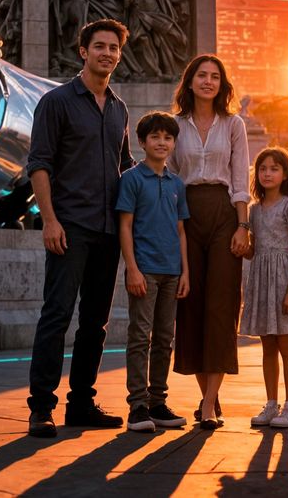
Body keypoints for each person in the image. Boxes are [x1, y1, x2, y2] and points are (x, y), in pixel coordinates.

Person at [25, 19, 135, 438]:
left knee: (95, 323)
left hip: (108, 231)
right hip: (69, 226)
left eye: (113, 48)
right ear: (83, 52)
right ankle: (41, 407)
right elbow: (39, 164)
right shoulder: (56, 102)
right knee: (56, 315)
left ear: (119, 55)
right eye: (100, 46)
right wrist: (49, 220)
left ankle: (82, 404)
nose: (107, 53)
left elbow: (125, 167)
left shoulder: (120, 109)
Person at [168, 54, 251, 427]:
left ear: (222, 84)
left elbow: (240, 179)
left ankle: (207, 405)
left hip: (223, 213)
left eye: (215, 76)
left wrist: (242, 226)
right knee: (192, 304)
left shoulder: (233, 125)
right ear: (189, 82)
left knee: (221, 305)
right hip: (186, 213)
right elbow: (170, 175)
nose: (208, 81)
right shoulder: (175, 126)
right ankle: (208, 397)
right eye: (201, 75)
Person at [117, 112, 190, 433]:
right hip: (144, 270)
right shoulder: (131, 179)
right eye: (155, 137)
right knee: (139, 337)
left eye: (168, 138)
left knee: (164, 339)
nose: (162, 143)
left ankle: (158, 402)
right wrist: (132, 269)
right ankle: (138, 406)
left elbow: (181, 230)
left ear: (174, 144)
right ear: (142, 142)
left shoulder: (177, 184)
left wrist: (185, 272)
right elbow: (125, 226)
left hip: (172, 272)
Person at [241, 147, 288, 430]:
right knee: (267, 346)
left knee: (286, 345)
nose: (267, 173)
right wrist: (242, 247)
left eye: (274, 168)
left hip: (284, 280)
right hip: (262, 281)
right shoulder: (254, 210)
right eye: (262, 169)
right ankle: (271, 404)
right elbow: (254, 250)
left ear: (285, 175)